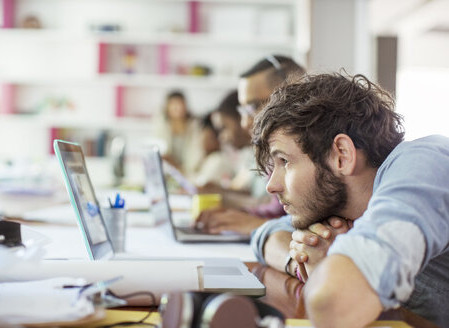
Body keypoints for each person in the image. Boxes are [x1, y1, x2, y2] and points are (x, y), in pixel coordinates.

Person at [251, 72, 449, 327]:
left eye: (285, 162)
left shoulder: (424, 166)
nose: (271, 186)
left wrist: (329, 266)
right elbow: (265, 235)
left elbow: (333, 301)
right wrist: (299, 259)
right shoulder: (345, 207)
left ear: (341, 155)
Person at [196, 55, 306, 235]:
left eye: (254, 106)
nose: (245, 123)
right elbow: (272, 209)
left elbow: (305, 226)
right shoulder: (273, 154)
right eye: (243, 110)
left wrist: (253, 224)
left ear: (292, 97)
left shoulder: (314, 154)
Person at [153, 90, 203, 177]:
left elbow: (196, 155)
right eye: (174, 105)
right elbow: (160, 151)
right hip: (168, 171)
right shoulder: (161, 124)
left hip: (188, 172)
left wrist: (182, 170)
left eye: (181, 104)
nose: (178, 108)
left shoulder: (194, 126)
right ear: (167, 107)